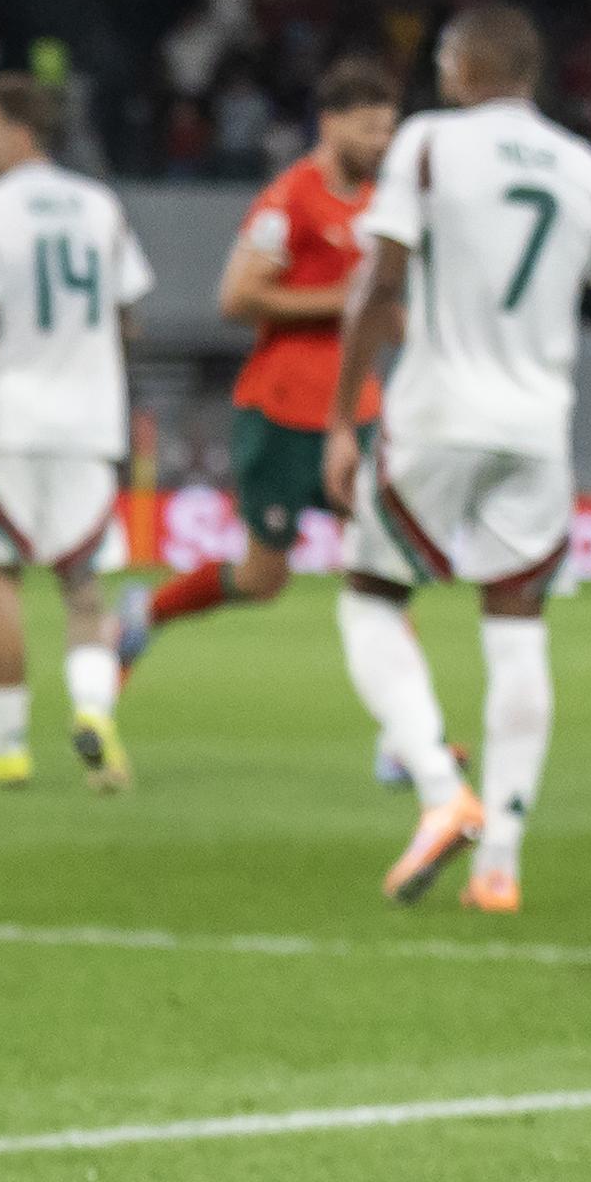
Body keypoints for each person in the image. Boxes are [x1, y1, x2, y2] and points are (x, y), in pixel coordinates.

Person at [330, 4, 591, 914]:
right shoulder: (590, 170)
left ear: (460, 65)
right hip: (537, 429)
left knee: (370, 601)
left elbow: (381, 280)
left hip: (437, 414)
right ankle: (501, 867)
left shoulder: (431, 145)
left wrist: (339, 416)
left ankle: (443, 796)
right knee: (518, 632)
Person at [115, 57, 400, 706]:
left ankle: (406, 738)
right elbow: (238, 297)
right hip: (282, 412)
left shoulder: (382, 205)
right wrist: (345, 302)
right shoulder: (288, 199)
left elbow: (378, 304)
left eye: (389, 131)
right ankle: (147, 613)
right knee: (263, 577)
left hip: (356, 411)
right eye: (369, 129)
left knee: (382, 568)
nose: (381, 144)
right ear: (328, 125)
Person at [0, 73, 153, 794]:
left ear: (21, 132)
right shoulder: (102, 207)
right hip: (90, 423)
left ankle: (4, 748)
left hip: (12, 421)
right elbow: (128, 320)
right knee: (83, 586)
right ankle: (94, 711)